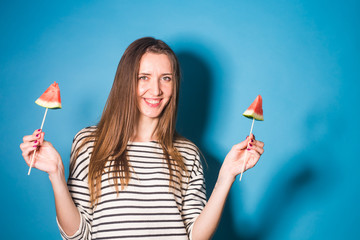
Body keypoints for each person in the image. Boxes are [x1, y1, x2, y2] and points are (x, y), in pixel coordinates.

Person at [20, 37, 264, 240]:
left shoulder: (188, 153)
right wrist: (56, 175)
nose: (156, 90)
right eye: (144, 77)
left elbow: (195, 237)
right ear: (127, 81)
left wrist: (225, 178)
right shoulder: (89, 143)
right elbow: (78, 235)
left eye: (166, 78)